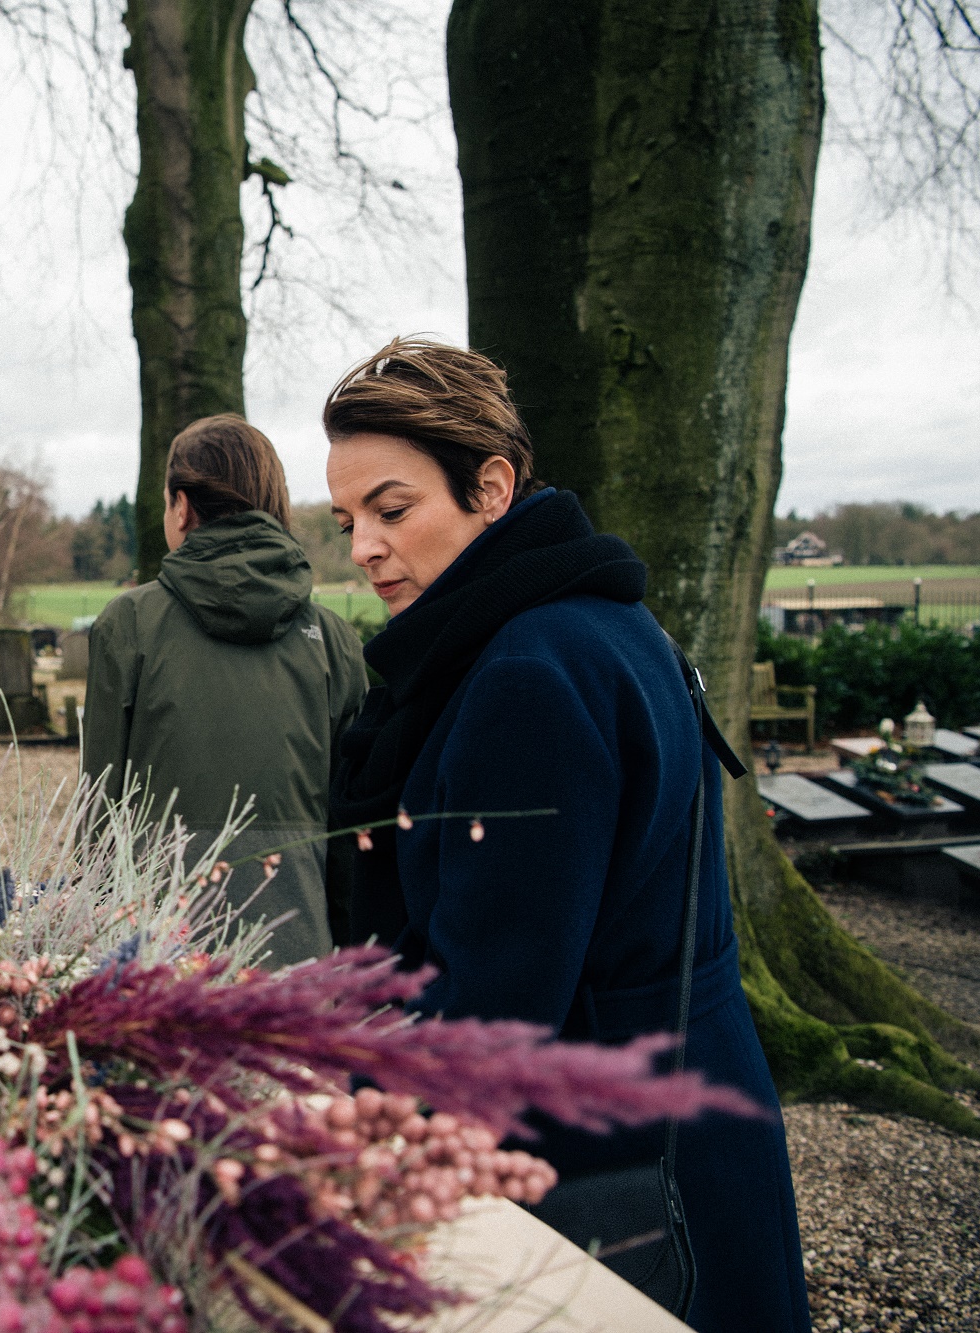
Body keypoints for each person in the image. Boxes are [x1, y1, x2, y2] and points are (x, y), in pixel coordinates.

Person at [321, 338, 811, 1332]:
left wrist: (319, 1110)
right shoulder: (604, 616)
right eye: (346, 522)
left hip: (618, 1157)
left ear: (490, 488)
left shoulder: (521, 677)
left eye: (391, 508)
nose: (362, 547)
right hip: (696, 1106)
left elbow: (490, 1020)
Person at [83, 414, 369, 966]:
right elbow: (350, 835)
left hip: (159, 956)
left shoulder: (129, 625)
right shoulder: (334, 642)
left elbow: (102, 813)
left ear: (182, 506)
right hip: (299, 954)